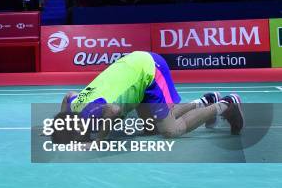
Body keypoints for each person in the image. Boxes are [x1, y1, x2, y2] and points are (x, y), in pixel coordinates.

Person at [58, 51, 243, 141]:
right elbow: (69, 95)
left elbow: (112, 110)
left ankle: (227, 103)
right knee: (151, 128)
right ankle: (203, 101)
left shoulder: (90, 112)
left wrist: (99, 141)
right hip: (132, 70)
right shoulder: (76, 105)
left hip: (149, 69)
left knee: (170, 131)